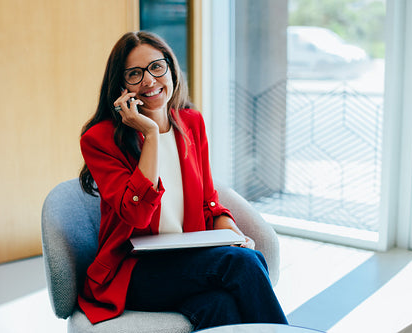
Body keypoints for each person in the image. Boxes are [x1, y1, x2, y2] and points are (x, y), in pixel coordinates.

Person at [78, 31, 287, 330]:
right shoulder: (100, 140)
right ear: (121, 86)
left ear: (171, 70)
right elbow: (136, 214)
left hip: (189, 263)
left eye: (156, 67)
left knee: (220, 305)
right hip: (134, 274)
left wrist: (235, 235)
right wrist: (150, 135)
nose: (149, 81)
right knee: (241, 265)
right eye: (135, 74)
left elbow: (209, 203)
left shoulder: (191, 123)